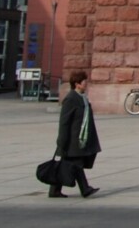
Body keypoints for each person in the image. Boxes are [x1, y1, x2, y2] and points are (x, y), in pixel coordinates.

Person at [51, 71, 100, 199]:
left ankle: (54, 190)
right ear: (77, 84)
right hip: (72, 139)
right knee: (76, 164)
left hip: (79, 138)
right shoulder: (71, 99)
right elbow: (64, 122)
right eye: (84, 82)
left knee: (66, 164)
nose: (86, 84)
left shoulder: (81, 97)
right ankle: (85, 189)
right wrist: (62, 140)